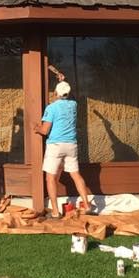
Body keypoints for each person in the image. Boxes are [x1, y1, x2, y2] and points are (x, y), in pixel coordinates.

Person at [33, 80, 94, 217]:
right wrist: (62, 80)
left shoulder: (51, 108)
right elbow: (68, 95)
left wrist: (37, 128)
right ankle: (87, 205)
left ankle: (55, 212)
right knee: (76, 175)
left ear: (55, 93)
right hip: (71, 145)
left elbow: (45, 130)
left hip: (55, 145)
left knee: (50, 178)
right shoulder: (73, 105)